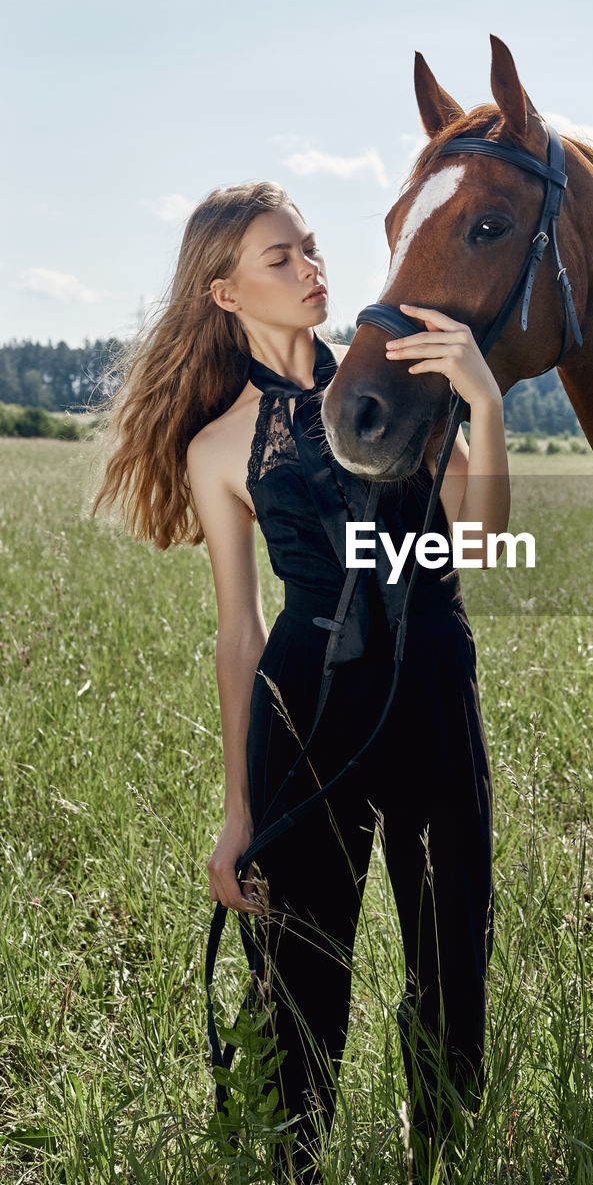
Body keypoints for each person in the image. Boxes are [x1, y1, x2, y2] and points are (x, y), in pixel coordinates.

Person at [93, 180, 510, 1181]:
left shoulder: (402, 382)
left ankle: (439, 1158)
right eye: (280, 258)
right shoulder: (218, 446)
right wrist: (237, 814)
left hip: (429, 684)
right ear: (226, 292)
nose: (310, 268)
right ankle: (294, 1167)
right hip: (306, 705)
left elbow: (486, 541)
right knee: (297, 976)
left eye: (311, 248)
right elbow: (240, 633)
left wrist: (486, 400)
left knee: (451, 956)